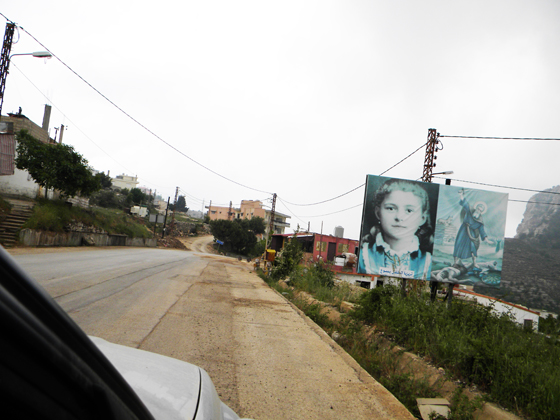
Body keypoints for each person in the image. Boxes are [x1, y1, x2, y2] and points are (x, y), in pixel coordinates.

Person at [358, 178, 433, 279]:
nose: (399, 217)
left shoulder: (428, 262)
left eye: (409, 211)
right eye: (391, 208)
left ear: (422, 218)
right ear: (378, 213)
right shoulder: (364, 256)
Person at [453, 189, 492, 268]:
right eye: (478, 208)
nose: (478, 210)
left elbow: (482, 231)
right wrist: (461, 195)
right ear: (476, 208)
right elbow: (465, 203)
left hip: (472, 234)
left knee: (473, 247)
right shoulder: (470, 210)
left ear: (481, 212)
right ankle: (455, 262)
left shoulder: (480, 221)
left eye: (480, 210)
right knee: (458, 244)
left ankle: (474, 263)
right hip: (463, 230)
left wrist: (487, 240)